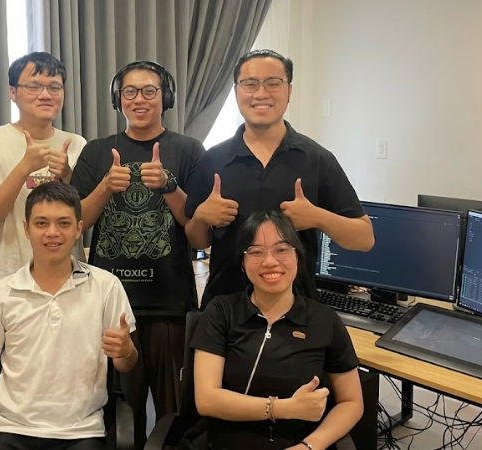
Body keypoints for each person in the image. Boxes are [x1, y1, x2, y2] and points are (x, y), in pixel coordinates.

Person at [71, 60, 205, 448]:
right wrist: (104, 188)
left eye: (149, 91)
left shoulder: (188, 150)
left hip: (170, 305)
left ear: (166, 97)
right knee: (117, 418)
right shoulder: (97, 151)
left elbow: (199, 231)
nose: (139, 99)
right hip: (108, 306)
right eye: (130, 91)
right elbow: (75, 223)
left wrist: (168, 185)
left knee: (173, 417)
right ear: (118, 99)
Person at [0, 182, 138, 450]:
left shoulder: (106, 287)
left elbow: (126, 363)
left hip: (80, 431)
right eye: (41, 223)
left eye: (63, 223)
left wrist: (126, 351)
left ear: (79, 228)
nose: (52, 232)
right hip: (10, 427)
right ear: (27, 229)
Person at [184, 49, 374, 306]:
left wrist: (317, 217)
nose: (261, 93)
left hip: (296, 311)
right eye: (250, 84)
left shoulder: (317, 159)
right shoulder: (212, 160)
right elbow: (197, 240)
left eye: (273, 83)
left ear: (289, 91)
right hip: (224, 309)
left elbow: (364, 238)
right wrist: (201, 217)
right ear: (237, 91)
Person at [191, 210, 364, 450]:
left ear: (298, 257)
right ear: (242, 264)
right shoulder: (221, 311)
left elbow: (351, 402)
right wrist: (285, 408)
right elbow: (207, 400)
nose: (270, 261)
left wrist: (311, 445)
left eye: (281, 249)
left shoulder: (324, 320)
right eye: (256, 252)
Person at [0, 52, 87, 292]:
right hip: (8, 281)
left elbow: (84, 218)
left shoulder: (77, 144)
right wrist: (24, 167)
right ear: (12, 92)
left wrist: (68, 176)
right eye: (34, 87)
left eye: (54, 87)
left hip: (69, 283)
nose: (45, 95)